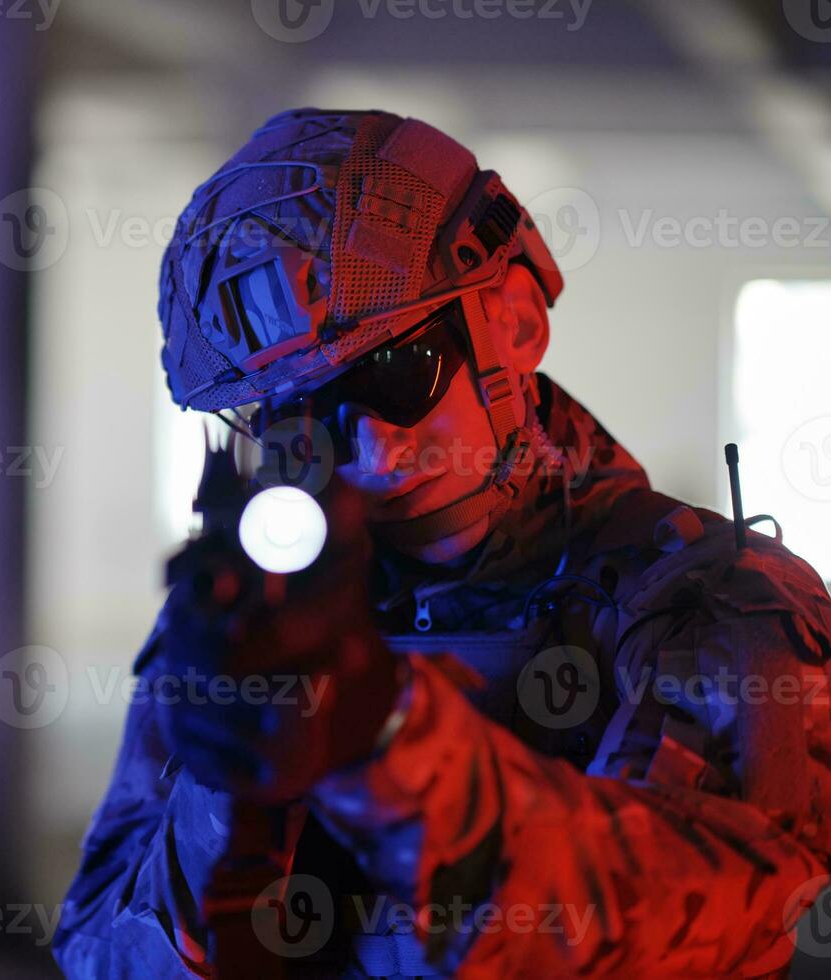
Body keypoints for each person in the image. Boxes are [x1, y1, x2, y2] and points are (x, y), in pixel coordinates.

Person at [51, 108, 831, 978]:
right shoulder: (255, 619)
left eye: (401, 370)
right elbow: (106, 958)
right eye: (307, 411)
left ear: (518, 327)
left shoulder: (714, 603)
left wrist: (388, 744)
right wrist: (226, 793)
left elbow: (676, 921)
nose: (374, 446)